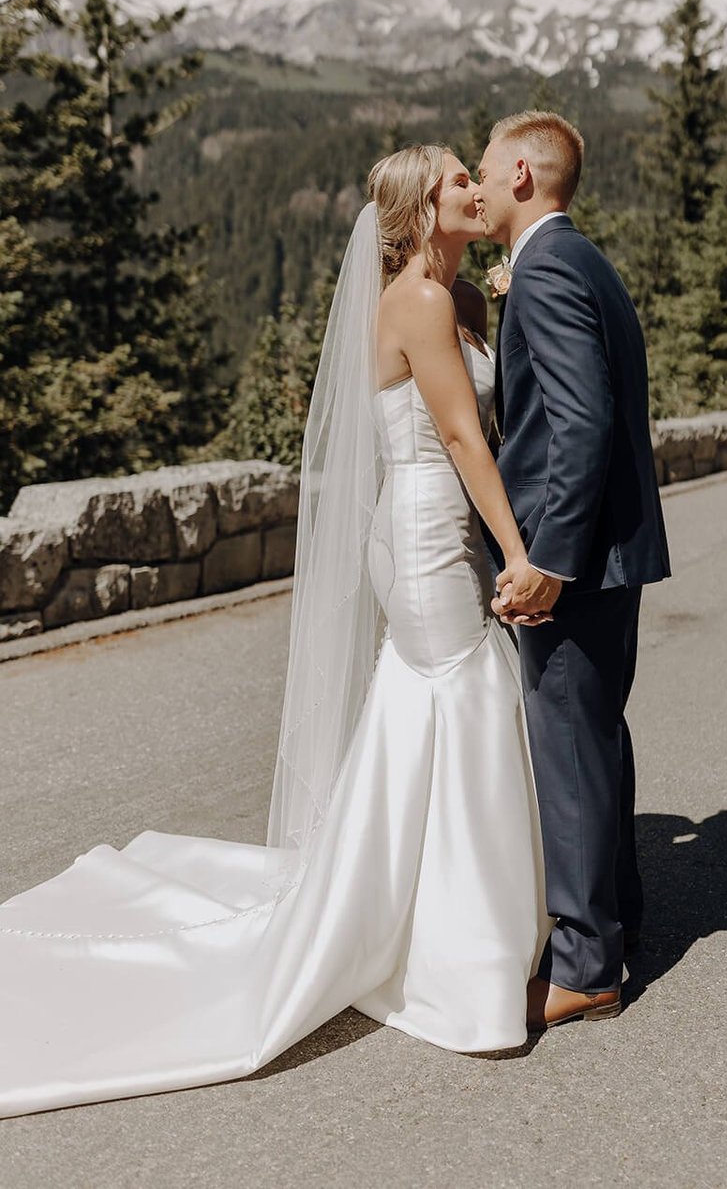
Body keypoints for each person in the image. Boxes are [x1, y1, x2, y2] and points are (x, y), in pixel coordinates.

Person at [0, 145, 550, 1120]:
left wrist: (503, 302)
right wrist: (515, 553)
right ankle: (461, 948)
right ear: (426, 208)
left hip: (435, 535)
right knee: (465, 696)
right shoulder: (418, 304)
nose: (479, 186)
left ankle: (429, 912)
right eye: (461, 179)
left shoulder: (458, 301)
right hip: (426, 540)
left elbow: (486, 417)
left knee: (431, 711)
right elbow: (464, 439)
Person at [475, 111, 671, 1032]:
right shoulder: (579, 258)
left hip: (576, 556)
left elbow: (583, 422)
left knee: (569, 741)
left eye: (484, 164)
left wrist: (548, 558)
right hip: (612, 551)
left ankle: (589, 964)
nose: (476, 179)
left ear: (521, 173)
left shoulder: (549, 268)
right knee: (594, 732)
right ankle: (620, 914)